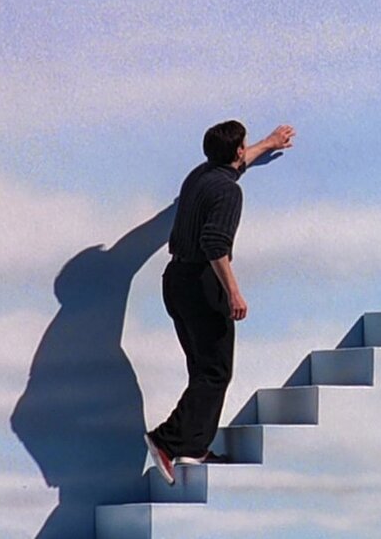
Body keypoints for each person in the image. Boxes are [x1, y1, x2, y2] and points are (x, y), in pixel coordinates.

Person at [144, 119, 295, 485]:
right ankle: (166, 439)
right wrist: (234, 293)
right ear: (237, 151)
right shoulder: (229, 193)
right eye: (245, 145)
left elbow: (240, 163)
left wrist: (269, 142)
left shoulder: (200, 174)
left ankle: (194, 447)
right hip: (201, 283)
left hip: (175, 280)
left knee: (203, 369)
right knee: (215, 371)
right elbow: (215, 244)